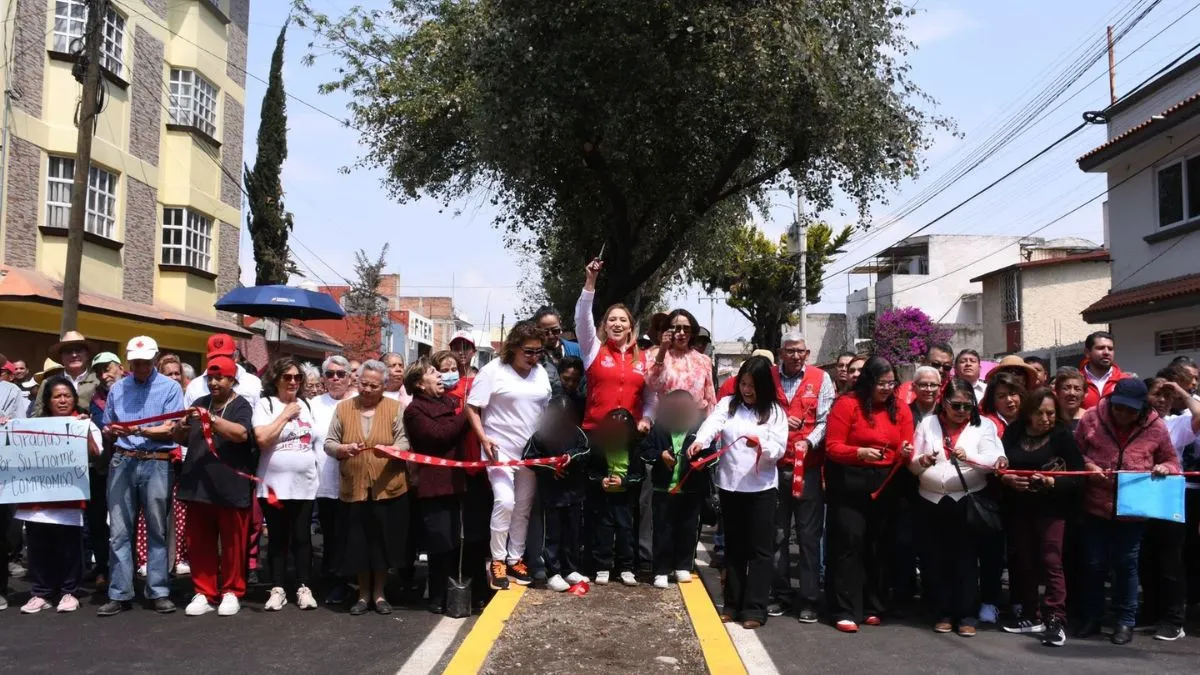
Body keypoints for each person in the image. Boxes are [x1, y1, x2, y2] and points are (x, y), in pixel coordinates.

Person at [1074, 378, 1178, 645]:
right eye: (1119, 408)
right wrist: (1088, 466)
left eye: (1131, 410)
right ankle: (1092, 617)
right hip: (1095, 505)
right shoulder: (1092, 418)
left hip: (1133, 509)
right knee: (1094, 564)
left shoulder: (1156, 426)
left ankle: (1124, 621)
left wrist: (1165, 469)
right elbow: (1074, 454)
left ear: (1142, 408)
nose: (1123, 414)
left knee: (1125, 564)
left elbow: (1171, 460)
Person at [687, 356, 787, 628]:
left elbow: (779, 447)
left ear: (764, 386)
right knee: (734, 548)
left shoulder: (775, 412)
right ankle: (732, 604)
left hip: (761, 488)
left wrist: (762, 446)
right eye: (743, 383)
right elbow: (712, 425)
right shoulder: (727, 405)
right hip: (730, 487)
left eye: (752, 385)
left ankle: (755, 608)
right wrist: (700, 441)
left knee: (760, 550)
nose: (746, 389)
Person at [824, 356, 915, 633]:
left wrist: (905, 452)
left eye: (891, 383)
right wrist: (859, 452)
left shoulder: (899, 408)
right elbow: (832, 446)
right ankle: (844, 608)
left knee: (878, 545)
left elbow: (905, 442)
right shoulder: (847, 404)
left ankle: (874, 605)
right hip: (850, 481)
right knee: (849, 544)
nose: (887, 388)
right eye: (881, 383)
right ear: (868, 382)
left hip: (885, 482)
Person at [909, 378, 1003, 637]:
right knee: (935, 560)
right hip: (931, 500)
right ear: (943, 402)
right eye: (956, 405)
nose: (962, 411)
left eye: (967, 406)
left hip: (966, 500)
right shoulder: (928, 423)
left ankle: (966, 614)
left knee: (965, 561)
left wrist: (969, 457)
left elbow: (995, 460)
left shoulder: (984, 425)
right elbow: (912, 463)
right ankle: (942, 612)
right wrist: (923, 460)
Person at [98, 336, 185, 617]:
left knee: (156, 528)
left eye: (146, 361)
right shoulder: (118, 389)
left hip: (156, 460)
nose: (141, 366)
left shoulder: (170, 387)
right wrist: (110, 431)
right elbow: (107, 424)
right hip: (123, 459)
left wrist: (137, 431)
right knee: (119, 531)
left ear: (155, 358)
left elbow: (172, 428)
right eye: (136, 362)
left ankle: (158, 589)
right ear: (128, 361)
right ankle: (120, 592)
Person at [466, 322, 552, 590]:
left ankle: (516, 558)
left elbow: (545, 409)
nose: (534, 357)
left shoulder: (541, 374)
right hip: (499, 449)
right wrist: (483, 438)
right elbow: (471, 407)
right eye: (528, 351)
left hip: (530, 452)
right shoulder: (493, 371)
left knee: (524, 507)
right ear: (513, 347)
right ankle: (498, 560)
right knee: (505, 502)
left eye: (539, 351)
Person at [999, 387, 1084, 647]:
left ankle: (1056, 619)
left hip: (1051, 511)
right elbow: (1000, 463)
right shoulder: (1013, 432)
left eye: (1050, 413)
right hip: (1019, 508)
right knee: (1024, 562)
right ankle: (1030, 614)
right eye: (1039, 413)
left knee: (1051, 562)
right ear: (1028, 413)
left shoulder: (1062, 436)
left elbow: (1078, 476)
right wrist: (1006, 477)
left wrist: (1052, 482)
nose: (1045, 419)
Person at [324, 360, 410, 615]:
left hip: (388, 488)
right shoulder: (343, 408)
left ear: (384, 386)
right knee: (359, 544)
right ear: (356, 381)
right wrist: (342, 449)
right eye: (363, 384)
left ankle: (380, 594)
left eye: (374, 385)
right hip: (355, 489)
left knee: (382, 544)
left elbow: (404, 441)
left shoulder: (396, 408)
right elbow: (329, 442)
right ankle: (362, 595)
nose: (368, 390)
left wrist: (393, 451)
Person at [12, 378, 101, 613]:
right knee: (38, 546)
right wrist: (6, 428)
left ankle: (69, 591)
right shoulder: (31, 426)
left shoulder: (83, 423)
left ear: (74, 398)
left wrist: (85, 431)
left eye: (67, 396)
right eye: (56, 396)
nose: (62, 400)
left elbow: (96, 455)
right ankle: (40, 592)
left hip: (68, 497)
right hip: (36, 498)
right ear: (48, 401)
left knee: (69, 546)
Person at [176, 356, 256, 617]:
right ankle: (204, 591)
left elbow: (242, 433)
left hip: (231, 486)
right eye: (210, 378)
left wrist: (211, 419)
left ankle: (232, 591)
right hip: (198, 484)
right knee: (199, 542)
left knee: (233, 543)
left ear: (232, 379)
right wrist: (180, 427)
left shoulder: (242, 405)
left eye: (219, 378)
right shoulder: (199, 403)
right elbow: (181, 436)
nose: (213, 382)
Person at [766, 333, 834, 623]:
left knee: (808, 537)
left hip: (807, 468)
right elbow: (757, 411)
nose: (796, 356)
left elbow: (826, 418)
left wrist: (809, 441)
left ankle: (808, 599)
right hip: (773, 467)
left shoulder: (821, 378)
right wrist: (779, 418)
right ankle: (780, 594)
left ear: (807, 353)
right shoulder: (767, 377)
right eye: (790, 350)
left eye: (801, 351)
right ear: (781, 352)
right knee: (776, 536)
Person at [253, 357, 320, 611]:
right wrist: (286, 414)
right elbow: (262, 438)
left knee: (303, 537)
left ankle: (304, 587)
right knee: (279, 537)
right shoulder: (266, 404)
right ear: (276, 379)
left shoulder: (307, 405)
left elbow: (315, 442)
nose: (293, 382)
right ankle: (278, 587)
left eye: (297, 377)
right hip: (274, 485)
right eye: (287, 377)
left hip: (305, 484)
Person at [403, 360, 470, 612]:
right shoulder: (414, 411)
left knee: (454, 541)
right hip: (434, 485)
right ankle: (437, 595)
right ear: (419, 384)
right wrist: (467, 413)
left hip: (457, 482)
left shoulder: (450, 402)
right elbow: (440, 436)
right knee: (440, 542)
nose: (440, 376)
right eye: (432, 373)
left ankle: (451, 592)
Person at [1139, 372, 1200, 641]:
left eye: (1167, 395)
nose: (1162, 400)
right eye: (1157, 394)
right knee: (1145, 557)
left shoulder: (1176, 423)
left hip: (1170, 497)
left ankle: (1174, 619)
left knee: (1170, 560)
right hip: (1139, 496)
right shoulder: (1132, 423)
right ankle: (1150, 612)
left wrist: (1181, 391)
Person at [433, 348, 493, 609]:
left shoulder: (474, 391)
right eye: (443, 370)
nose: (449, 375)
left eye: (453, 370)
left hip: (476, 473)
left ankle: (479, 589)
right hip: (446, 476)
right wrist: (465, 412)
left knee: (476, 536)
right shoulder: (433, 401)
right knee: (448, 537)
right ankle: (443, 593)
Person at [574, 258, 654, 434]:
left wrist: (647, 418)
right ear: (605, 326)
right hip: (596, 433)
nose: (617, 324)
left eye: (622, 320)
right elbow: (582, 318)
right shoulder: (593, 349)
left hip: (630, 435)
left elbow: (650, 399)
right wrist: (590, 281)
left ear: (630, 328)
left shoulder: (643, 357)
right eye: (612, 319)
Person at [641, 390, 708, 589]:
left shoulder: (699, 430)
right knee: (662, 530)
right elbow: (644, 451)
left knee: (688, 529)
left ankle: (683, 566)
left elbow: (712, 453)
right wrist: (660, 455)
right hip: (664, 489)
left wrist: (703, 462)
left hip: (691, 490)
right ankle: (661, 569)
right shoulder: (659, 428)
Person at [523, 397, 590, 592]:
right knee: (552, 536)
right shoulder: (540, 435)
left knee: (572, 534)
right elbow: (529, 459)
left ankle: (571, 569)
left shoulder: (577, 433)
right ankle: (553, 572)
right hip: (552, 496)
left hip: (574, 493)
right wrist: (551, 467)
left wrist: (572, 458)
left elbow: (586, 451)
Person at [976, 370, 1026, 624]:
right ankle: (989, 601)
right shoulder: (984, 423)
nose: (1010, 401)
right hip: (991, 496)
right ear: (992, 400)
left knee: (1020, 553)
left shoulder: (1030, 422)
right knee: (991, 553)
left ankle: (1019, 601)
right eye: (1002, 396)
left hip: (1023, 498)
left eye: (1014, 394)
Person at [310, 355, 355, 604]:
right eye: (330, 374)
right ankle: (332, 582)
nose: (335, 378)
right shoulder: (314, 404)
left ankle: (348, 582)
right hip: (323, 483)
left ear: (349, 377)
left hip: (353, 482)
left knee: (350, 536)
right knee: (331, 536)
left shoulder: (358, 402)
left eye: (341, 373)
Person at [586, 408, 645, 587]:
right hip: (604, 499)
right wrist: (600, 481)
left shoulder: (634, 450)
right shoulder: (598, 448)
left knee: (625, 533)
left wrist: (624, 482)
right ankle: (602, 566)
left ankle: (626, 567)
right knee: (603, 532)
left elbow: (640, 475)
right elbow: (590, 472)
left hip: (625, 500)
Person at [85, 352, 123, 585]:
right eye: (99, 371)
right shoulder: (95, 399)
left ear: (120, 367)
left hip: (129, 465)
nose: (104, 375)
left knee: (124, 523)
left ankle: (125, 569)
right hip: (101, 468)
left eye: (108, 368)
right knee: (98, 520)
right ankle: (102, 568)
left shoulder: (133, 390)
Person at [647, 308, 717, 414]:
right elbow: (652, 384)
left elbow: (710, 398)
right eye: (677, 328)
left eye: (687, 328)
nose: (682, 332)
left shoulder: (704, 360)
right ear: (668, 330)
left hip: (696, 420)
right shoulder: (660, 356)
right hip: (668, 419)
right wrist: (663, 349)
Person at [184, 334, 262, 408]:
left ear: (236, 356)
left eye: (226, 357)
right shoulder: (195, 386)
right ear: (208, 359)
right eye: (215, 357)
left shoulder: (253, 383)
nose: (220, 361)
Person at [33, 331, 100, 416]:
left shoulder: (98, 381)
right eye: (68, 351)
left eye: (79, 350)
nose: (74, 355)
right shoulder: (48, 383)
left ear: (87, 354)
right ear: (61, 356)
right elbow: (37, 414)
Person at [1080, 331, 1124, 410]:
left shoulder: (1125, 381)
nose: (1106, 352)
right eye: (1100, 348)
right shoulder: (1076, 382)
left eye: (1110, 349)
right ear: (1087, 353)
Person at [558, 356, 586, 421]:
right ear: (559, 375)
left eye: (575, 381)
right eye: (566, 379)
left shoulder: (583, 403)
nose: (570, 384)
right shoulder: (549, 399)